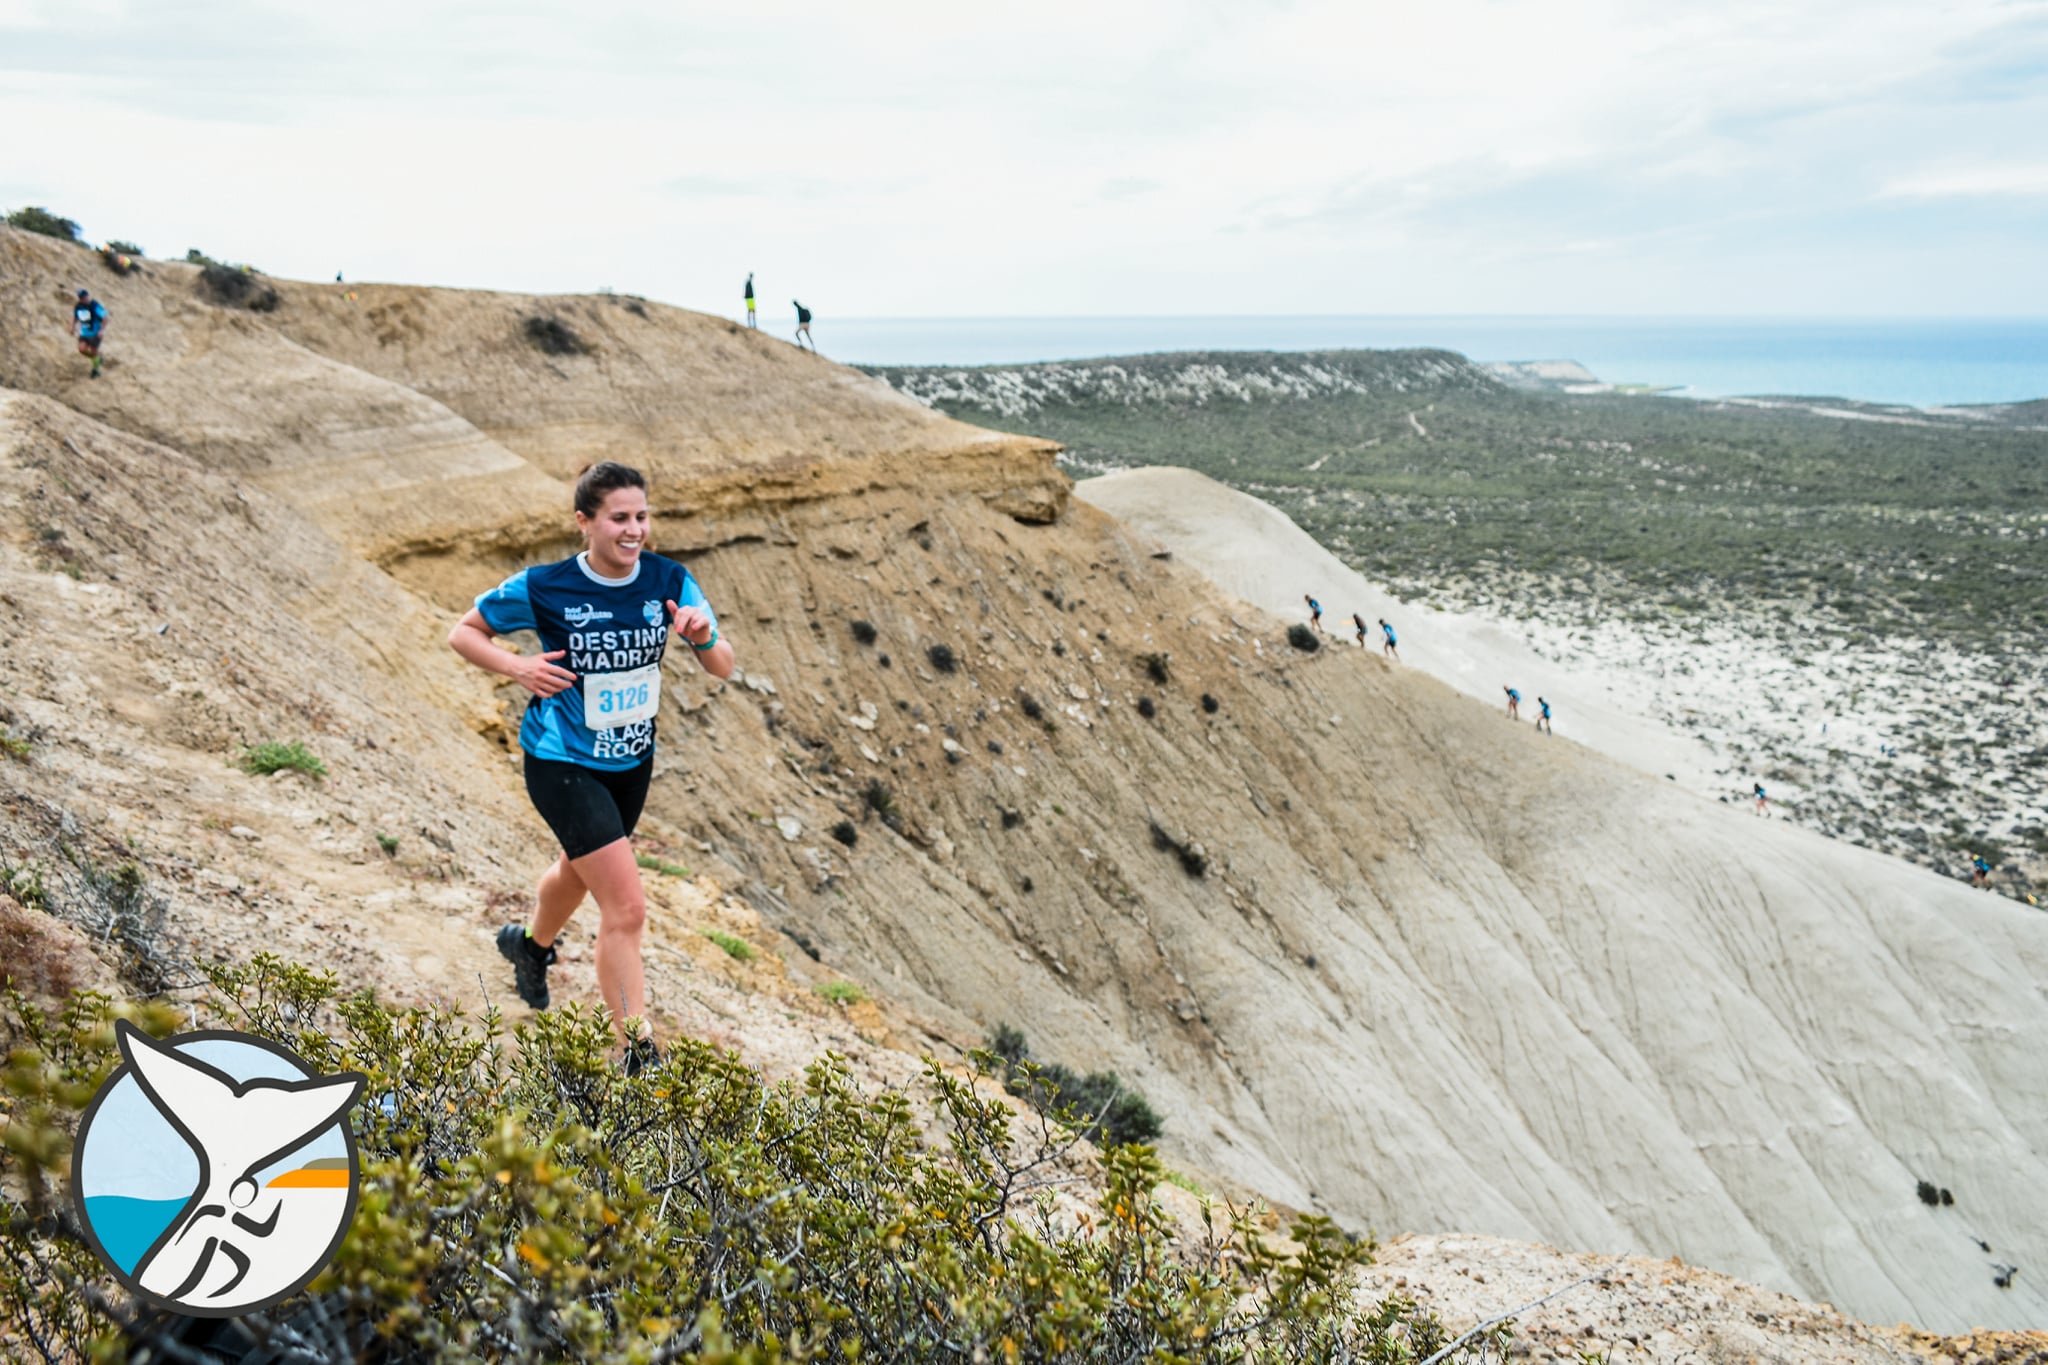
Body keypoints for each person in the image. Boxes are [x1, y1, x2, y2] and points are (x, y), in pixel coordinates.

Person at [448, 461, 735, 1074]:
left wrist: (703, 635)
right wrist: (518, 667)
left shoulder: (668, 578)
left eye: (641, 517)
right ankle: (637, 1051)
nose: (634, 531)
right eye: (619, 519)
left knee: (577, 871)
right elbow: (463, 634)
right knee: (627, 907)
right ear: (586, 522)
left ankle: (528, 949)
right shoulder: (545, 585)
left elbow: (724, 666)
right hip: (560, 760)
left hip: (631, 762)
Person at [70, 289, 108, 379]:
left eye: (84, 297)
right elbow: (75, 317)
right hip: (84, 332)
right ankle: (97, 359)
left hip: (95, 332)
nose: (84, 299)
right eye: (81, 298)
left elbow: (105, 318)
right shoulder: (78, 307)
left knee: (93, 350)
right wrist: (72, 326)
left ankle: (95, 370)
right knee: (82, 349)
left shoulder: (94, 305)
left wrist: (101, 330)